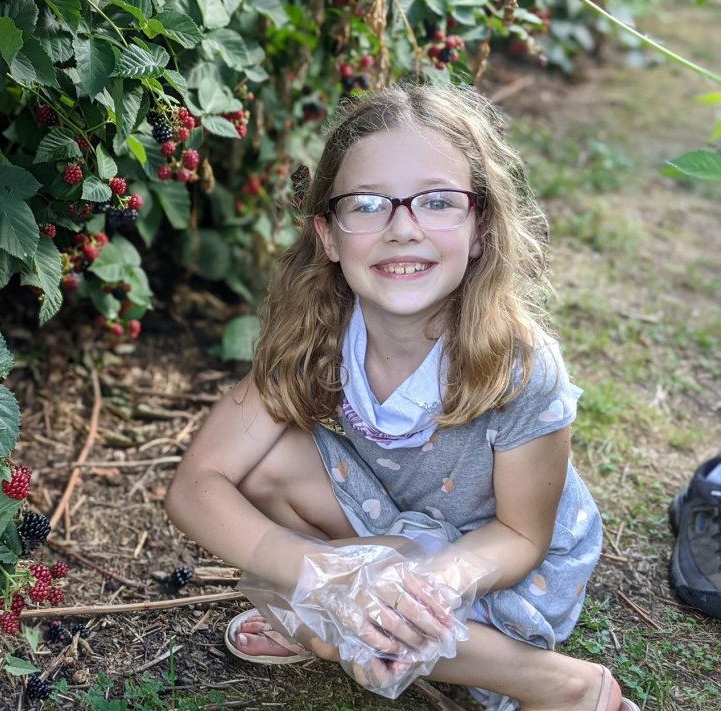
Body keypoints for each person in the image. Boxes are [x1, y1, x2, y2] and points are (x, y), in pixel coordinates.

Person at [165, 83, 639, 711]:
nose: (401, 229)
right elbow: (196, 485)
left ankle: (567, 685)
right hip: (384, 517)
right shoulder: (315, 332)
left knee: (366, 649)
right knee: (265, 471)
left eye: (438, 202)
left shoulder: (521, 365)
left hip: (489, 554)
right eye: (367, 204)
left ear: (480, 230)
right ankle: (344, 619)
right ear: (329, 236)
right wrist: (327, 580)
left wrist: (430, 585)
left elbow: (520, 535)